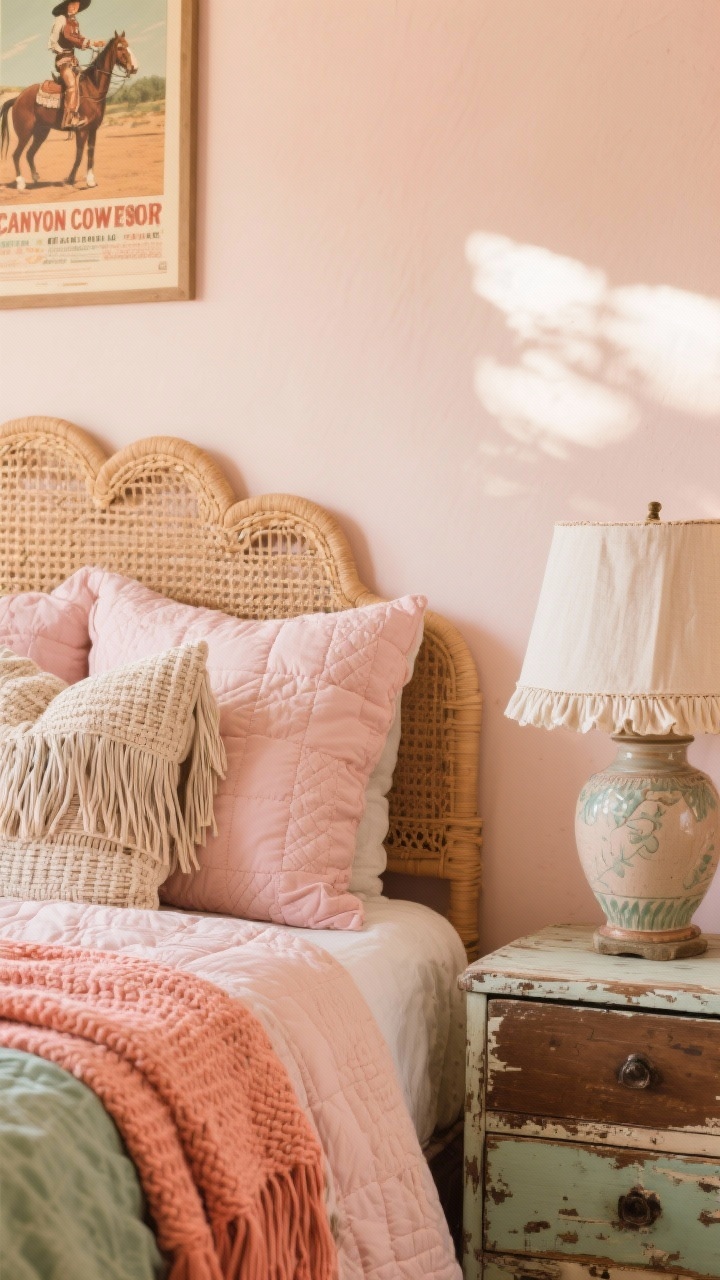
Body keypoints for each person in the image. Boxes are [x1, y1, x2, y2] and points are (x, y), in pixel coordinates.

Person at [48, 0, 104, 130]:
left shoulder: (75, 22)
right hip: (63, 60)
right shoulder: (61, 20)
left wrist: (94, 43)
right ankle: (68, 119)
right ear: (67, 5)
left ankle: (83, 113)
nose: (74, 8)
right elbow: (55, 40)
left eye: (77, 6)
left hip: (73, 60)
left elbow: (79, 38)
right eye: (72, 5)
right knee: (72, 85)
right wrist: (61, 51)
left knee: (85, 81)